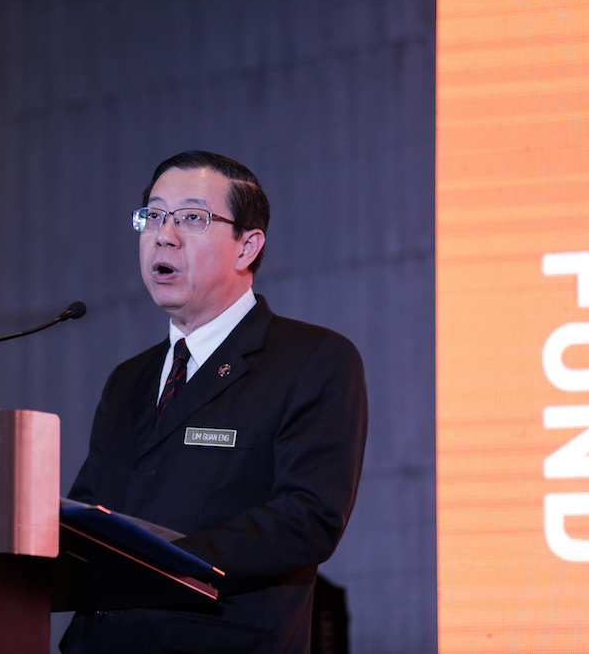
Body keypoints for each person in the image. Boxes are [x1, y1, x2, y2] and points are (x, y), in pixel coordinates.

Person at [60, 151, 368, 653]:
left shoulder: (313, 359)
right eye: (154, 216)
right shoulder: (128, 379)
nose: (164, 234)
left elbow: (307, 517)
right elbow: (91, 516)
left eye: (191, 218)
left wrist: (157, 561)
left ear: (247, 246)